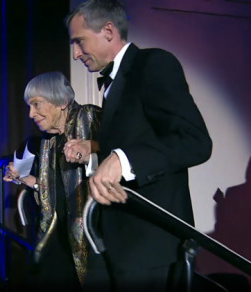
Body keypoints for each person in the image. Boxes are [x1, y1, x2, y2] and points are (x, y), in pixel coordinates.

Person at [64, 0, 213, 291]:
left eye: (79, 41)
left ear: (108, 31)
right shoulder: (116, 81)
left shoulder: (153, 63)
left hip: (150, 248)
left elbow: (195, 142)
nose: (75, 53)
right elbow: (138, 140)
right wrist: (96, 149)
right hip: (114, 242)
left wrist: (122, 159)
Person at [3, 71, 102, 290]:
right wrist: (26, 180)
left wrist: (93, 147)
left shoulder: (91, 117)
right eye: (30, 106)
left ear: (63, 102)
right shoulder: (48, 142)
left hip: (92, 237)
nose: (31, 114)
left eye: (37, 104)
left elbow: (119, 155)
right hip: (58, 238)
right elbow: (53, 192)